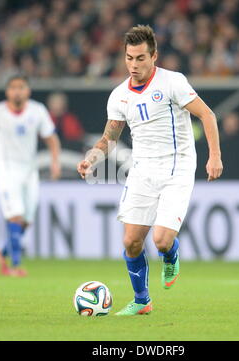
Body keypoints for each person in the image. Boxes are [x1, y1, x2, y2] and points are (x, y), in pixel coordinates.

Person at [77, 25, 223, 315]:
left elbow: (207, 114)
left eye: (140, 58)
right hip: (142, 169)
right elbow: (110, 137)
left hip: (177, 166)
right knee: (131, 241)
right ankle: (142, 301)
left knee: (161, 239)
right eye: (129, 58)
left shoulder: (173, 83)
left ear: (154, 56)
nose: (134, 65)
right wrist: (92, 158)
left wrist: (214, 156)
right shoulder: (119, 95)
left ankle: (170, 253)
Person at [0, 74, 61, 277]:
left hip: (29, 171)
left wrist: (55, 163)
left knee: (27, 220)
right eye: (13, 87)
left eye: (21, 87)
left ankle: (2, 253)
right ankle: (14, 265)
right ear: (7, 92)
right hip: (6, 169)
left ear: (28, 91)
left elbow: (51, 138)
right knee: (16, 216)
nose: (17, 91)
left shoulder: (37, 111)